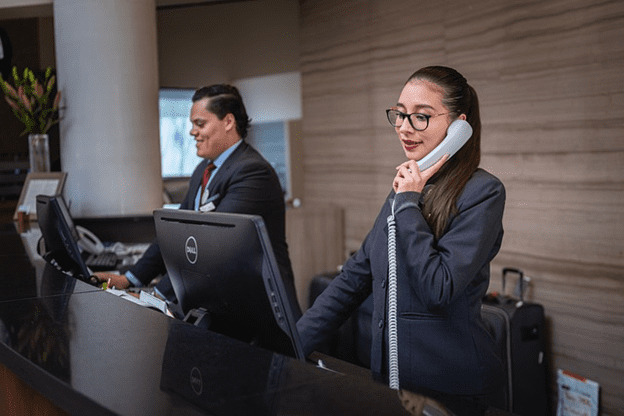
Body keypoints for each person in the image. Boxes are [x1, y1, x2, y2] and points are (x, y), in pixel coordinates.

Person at [296, 66, 506, 404]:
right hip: (389, 382)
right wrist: (291, 344)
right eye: (400, 115)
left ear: (459, 127)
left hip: (449, 389)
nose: (404, 128)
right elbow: (353, 279)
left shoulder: (482, 192)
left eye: (421, 117)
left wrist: (408, 201)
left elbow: (439, 287)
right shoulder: (405, 190)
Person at [97, 84, 298, 316]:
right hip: (221, 307)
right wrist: (129, 278)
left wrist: (156, 297)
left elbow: (210, 247)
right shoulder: (204, 169)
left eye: (200, 124)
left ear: (228, 122)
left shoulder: (252, 172)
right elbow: (175, 235)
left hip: (259, 315)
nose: (193, 132)